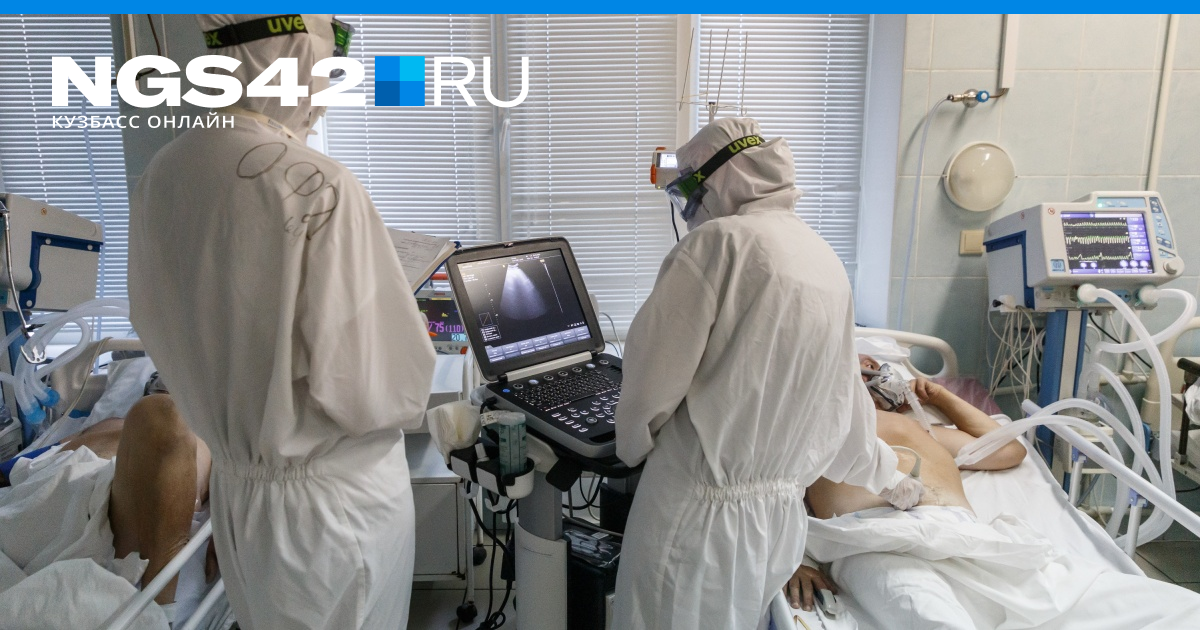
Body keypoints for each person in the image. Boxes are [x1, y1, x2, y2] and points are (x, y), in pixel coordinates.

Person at [128, 14, 436, 630]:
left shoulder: (164, 172)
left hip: (241, 496)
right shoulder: (320, 186)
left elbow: (157, 319)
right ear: (292, 57)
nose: (322, 96)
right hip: (333, 511)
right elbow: (383, 392)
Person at [612, 117, 921, 630]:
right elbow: (842, 401)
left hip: (695, 517)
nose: (688, 209)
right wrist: (888, 477)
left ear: (721, 180)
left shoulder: (716, 246)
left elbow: (650, 386)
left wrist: (630, 447)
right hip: (775, 523)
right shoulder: (822, 256)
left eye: (689, 192)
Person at [789, 359, 1200, 629]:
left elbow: (1008, 450)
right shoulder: (804, 432)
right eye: (857, 363)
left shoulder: (924, 430)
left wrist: (941, 398)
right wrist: (792, 562)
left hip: (969, 540)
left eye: (875, 365)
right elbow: (771, 499)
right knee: (926, 612)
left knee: (1116, 602)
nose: (869, 368)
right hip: (874, 543)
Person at [0, 395, 212, 616]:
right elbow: (37, 458)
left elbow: (232, 486)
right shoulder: (110, 422)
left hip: (123, 501)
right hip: (46, 493)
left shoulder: (213, 441)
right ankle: (156, 613)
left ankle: (158, 610)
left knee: (164, 414)